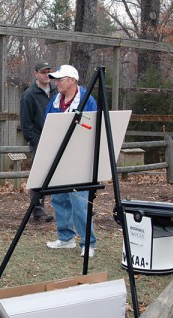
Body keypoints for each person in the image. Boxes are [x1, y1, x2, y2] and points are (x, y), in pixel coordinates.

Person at [44, 64, 98, 257]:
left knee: (79, 201)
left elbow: (92, 128)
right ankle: (65, 237)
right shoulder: (56, 101)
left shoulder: (87, 100)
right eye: (56, 79)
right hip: (59, 157)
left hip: (79, 159)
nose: (56, 82)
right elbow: (48, 123)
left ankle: (88, 243)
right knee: (59, 198)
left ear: (73, 80)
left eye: (61, 79)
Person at [20, 61, 56, 223]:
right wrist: (35, 141)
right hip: (39, 141)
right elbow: (26, 123)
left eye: (48, 72)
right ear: (36, 74)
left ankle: (64, 207)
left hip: (56, 139)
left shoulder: (56, 91)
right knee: (39, 177)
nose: (46, 75)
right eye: (43, 72)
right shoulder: (29, 95)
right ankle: (38, 210)